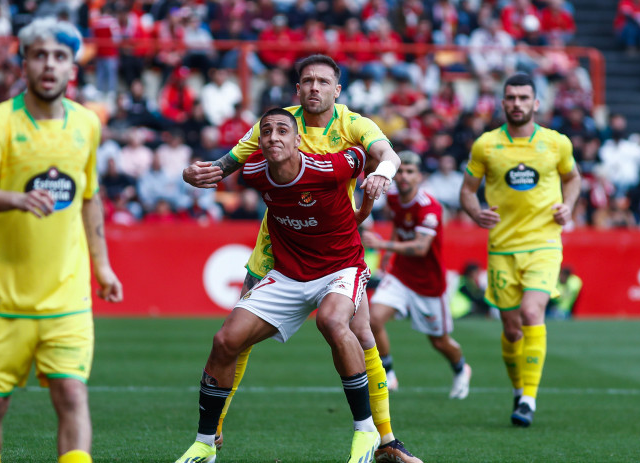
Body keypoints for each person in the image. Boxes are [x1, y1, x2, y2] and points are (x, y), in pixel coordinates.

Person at [183, 54, 422, 463]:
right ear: (298, 88)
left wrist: (383, 171)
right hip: (278, 240)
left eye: (323, 81)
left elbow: (388, 153)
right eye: (307, 80)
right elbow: (230, 163)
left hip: (334, 244)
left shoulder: (352, 124)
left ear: (336, 89)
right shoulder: (278, 123)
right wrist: (202, 173)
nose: (314, 87)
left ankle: (383, 440)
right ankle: (212, 433)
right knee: (235, 339)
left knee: (359, 333)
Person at [0, 19, 123, 463]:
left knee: (72, 395)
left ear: (73, 67)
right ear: (24, 62)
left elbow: (89, 197)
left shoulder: (87, 123)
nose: (49, 65)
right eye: (39, 55)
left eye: (59, 56)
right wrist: (16, 198)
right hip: (4, 296)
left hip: (67, 296)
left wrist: (102, 266)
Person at [459, 73, 580, 427]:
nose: (517, 104)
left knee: (532, 311)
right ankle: (518, 390)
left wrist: (568, 206)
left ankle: (529, 398)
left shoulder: (557, 143)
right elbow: (467, 189)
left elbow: (573, 179)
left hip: (544, 243)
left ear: (536, 103)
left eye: (524, 98)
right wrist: (473, 210)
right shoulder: (486, 145)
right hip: (502, 248)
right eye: (511, 98)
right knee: (511, 330)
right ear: (503, 103)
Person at [362, 151, 472, 398]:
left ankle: (461, 368)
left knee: (439, 341)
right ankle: (388, 374)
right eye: (400, 171)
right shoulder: (393, 199)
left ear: (420, 177)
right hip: (401, 275)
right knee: (373, 319)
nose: (404, 176)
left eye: (410, 172)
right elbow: (400, 228)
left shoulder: (429, 207)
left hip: (428, 283)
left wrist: (382, 247)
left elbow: (421, 248)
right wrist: (389, 257)